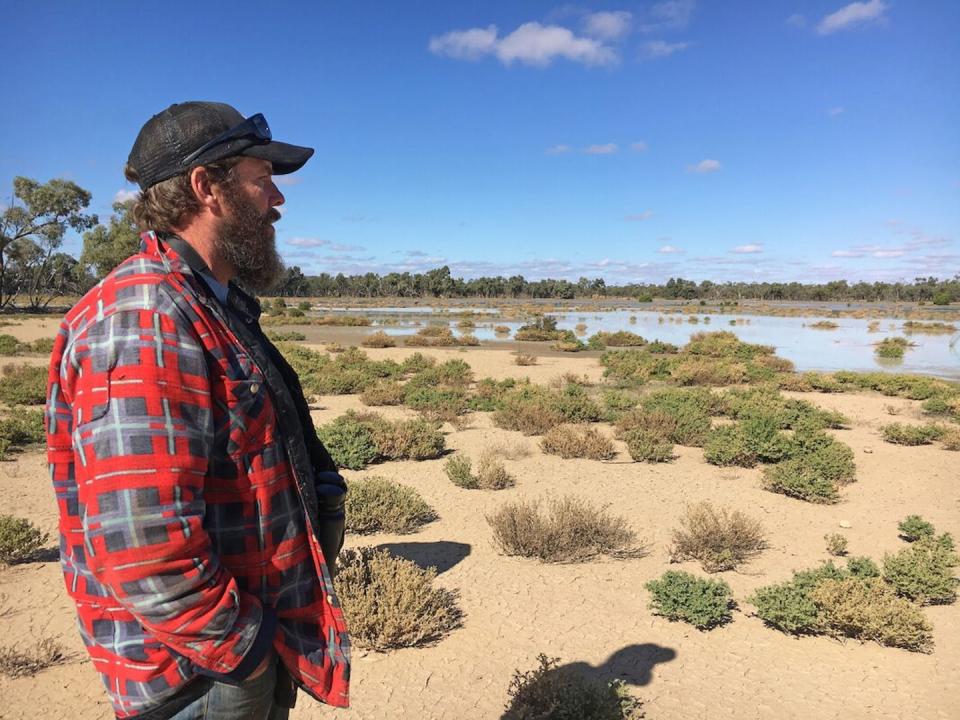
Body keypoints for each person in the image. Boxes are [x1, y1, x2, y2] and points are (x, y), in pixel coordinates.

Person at [45, 102, 351, 720]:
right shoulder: (146, 318)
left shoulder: (210, 302)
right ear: (206, 186)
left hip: (229, 652)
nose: (277, 200)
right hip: (199, 675)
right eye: (262, 178)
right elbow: (143, 545)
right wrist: (246, 651)